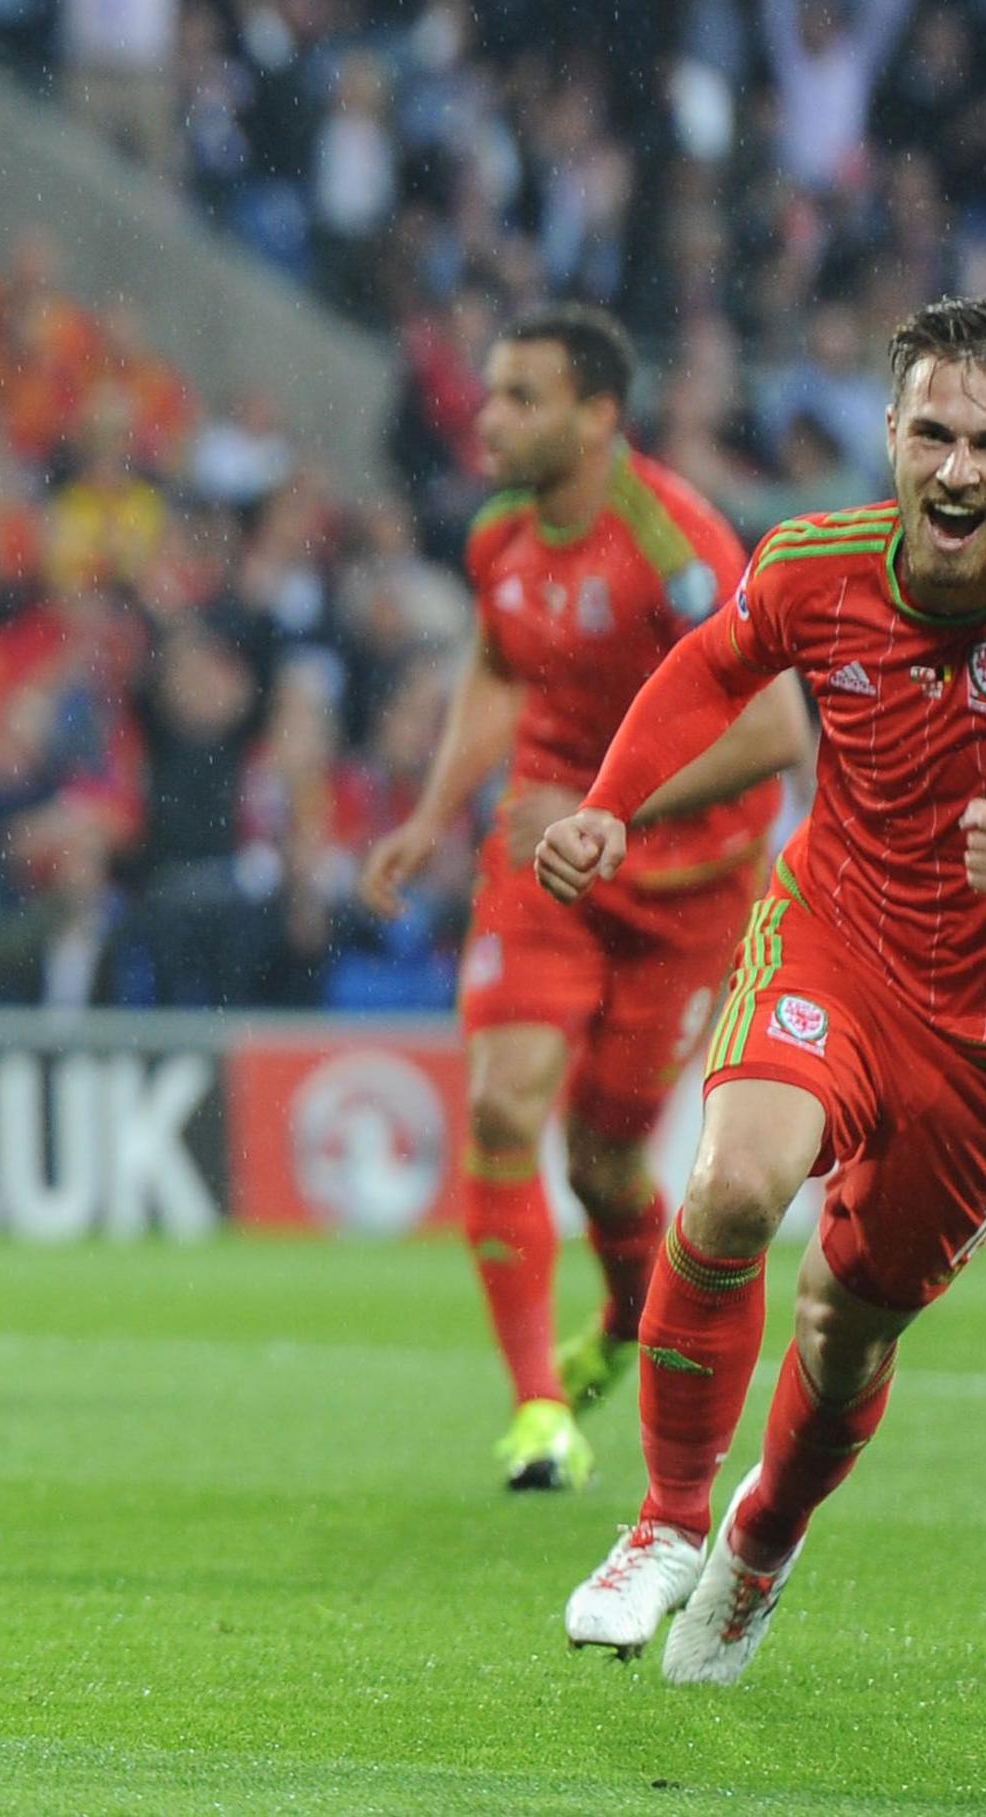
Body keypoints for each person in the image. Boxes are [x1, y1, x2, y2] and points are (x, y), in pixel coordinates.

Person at [541, 296, 986, 1683]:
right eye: (932, 433)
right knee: (733, 1185)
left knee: (847, 1326)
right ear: (892, 437)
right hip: (836, 938)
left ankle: (762, 1537)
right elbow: (711, 666)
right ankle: (664, 1522)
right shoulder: (814, 566)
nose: (957, 468)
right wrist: (615, 804)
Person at [359, 306, 806, 1492]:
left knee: (608, 1159)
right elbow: (502, 667)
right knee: (507, 1109)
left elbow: (775, 727)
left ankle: (621, 1317)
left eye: (520, 397)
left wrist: (613, 813)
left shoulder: (677, 547)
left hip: (683, 882)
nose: (489, 417)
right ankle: (539, 1408)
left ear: (598, 415)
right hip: (542, 848)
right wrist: (432, 809)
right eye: (491, 392)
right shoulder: (499, 532)